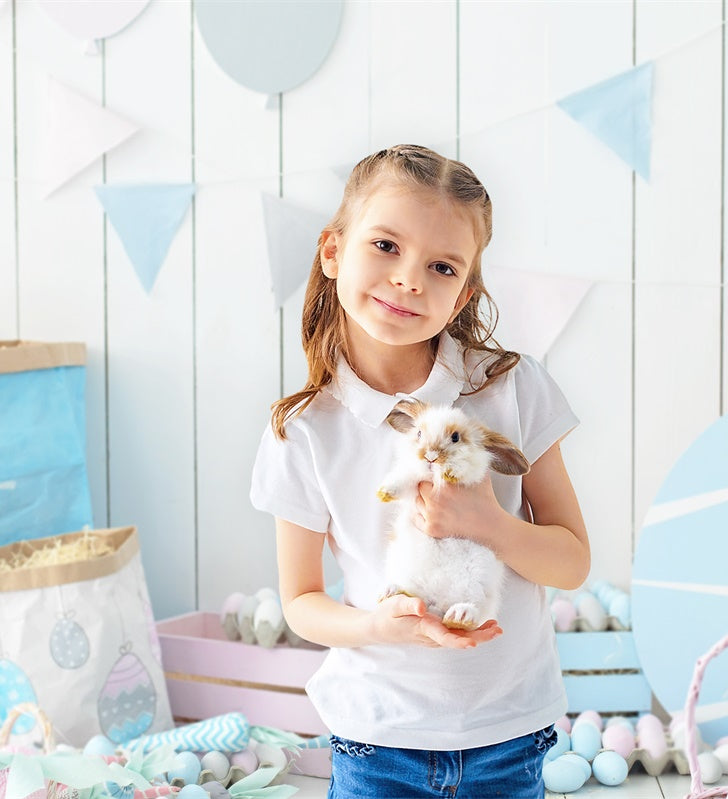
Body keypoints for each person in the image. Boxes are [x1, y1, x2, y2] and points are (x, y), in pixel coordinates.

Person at [250, 144, 590, 798]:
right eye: (385, 246)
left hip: (508, 733)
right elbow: (301, 602)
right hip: (378, 737)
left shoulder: (511, 390)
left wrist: (489, 522)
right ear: (332, 251)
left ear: (462, 292)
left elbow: (572, 562)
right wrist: (379, 625)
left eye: (440, 266)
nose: (409, 278)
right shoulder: (303, 430)